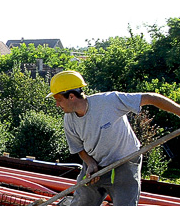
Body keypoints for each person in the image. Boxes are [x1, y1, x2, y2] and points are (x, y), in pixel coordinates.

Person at [47, 70, 180, 206]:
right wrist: (91, 163)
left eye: (58, 99)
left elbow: (152, 98)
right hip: (95, 167)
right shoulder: (69, 120)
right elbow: (78, 147)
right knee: (81, 203)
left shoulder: (109, 101)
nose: (57, 104)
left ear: (71, 96)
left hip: (125, 164)